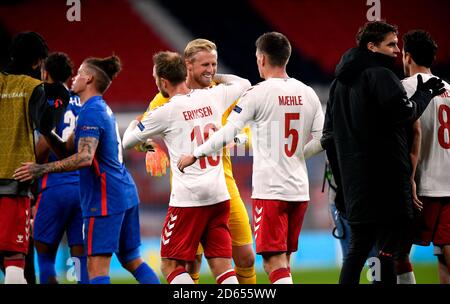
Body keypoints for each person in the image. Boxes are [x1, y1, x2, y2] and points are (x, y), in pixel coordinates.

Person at [178, 32, 325, 284]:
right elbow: (323, 138)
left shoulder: (258, 93)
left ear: (262, 59)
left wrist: (197, 153)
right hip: (299, 191)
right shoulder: (308, 92)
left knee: (272, 262)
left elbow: (228, 132)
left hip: (270, 191)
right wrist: (297, 156)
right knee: (284, 261)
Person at [13, 55, 160, 284]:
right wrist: (47, 131)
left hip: (105, 198)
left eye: (80, 72)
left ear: (89, 78)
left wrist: (40, 169)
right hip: (125, 192)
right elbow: (67, 150)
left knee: (96, 268)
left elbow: (84, 158)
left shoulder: (91, 112)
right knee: (132, 259)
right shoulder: (95, 109)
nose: (74, 78)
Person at [321, 21, 445, 284]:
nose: (397, 50)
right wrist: (423, 94)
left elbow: (328, 137)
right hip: (386, 182)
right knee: (388, 252)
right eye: (391, 44)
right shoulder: (381, 74)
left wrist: (342, 184)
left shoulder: (338, 83)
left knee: (356, 252)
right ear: (372, 46)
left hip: (355, 186)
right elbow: (404, 113)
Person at [122, 51, 251, 284]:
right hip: (219, 196)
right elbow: (243, 83)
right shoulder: (213, 96)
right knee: (222, 264)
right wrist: (214, 75)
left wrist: (134, 124)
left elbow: (128, 141)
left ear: (163, 81)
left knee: (170, 264)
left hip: (189, 200)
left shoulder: (165, 111)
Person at [0, 31, 68, 284]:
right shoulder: (33, 89)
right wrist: (57, 98)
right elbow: (47, 125)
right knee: (14, 258)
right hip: (13, 181)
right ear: (38, 62)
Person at [32, 52, 88, 284]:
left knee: (44, 256)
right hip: (83, 188)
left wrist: (35, 162)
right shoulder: (84, 102)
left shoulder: (47, 101)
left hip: (53, 186)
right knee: (80, 258)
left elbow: (44, 144)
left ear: (46, 73)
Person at [401, 29, 450, 284]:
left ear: (407, 56)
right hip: (449, 186)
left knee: (398, 251)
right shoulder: (449, 89)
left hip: (420, 185)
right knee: (445, 258)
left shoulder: (403, 89)